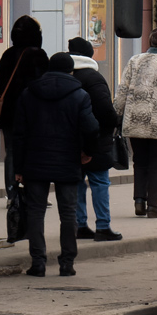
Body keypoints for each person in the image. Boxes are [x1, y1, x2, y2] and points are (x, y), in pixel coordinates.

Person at [9, 52, 99, 277]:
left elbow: (18, 135)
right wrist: (87, 153)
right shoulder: (80, 96)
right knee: (68, 213)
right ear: (71, 71)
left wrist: (18, 168)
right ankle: (67, 263)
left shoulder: (29, 93)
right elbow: (91, 128)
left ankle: (38, 262)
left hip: (35, 161)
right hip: (68, 161)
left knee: (36, 212)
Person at [68, 38, 122, 242]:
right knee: (99, 181)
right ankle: (103, 226)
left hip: (71, 140)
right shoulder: (94, 78)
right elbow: (106, 110)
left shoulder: (67, 75)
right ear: (89, 55)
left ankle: (80, 225)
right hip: (96, 138)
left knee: (78, 183)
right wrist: (113, 124)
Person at [115, 28, 157, 219]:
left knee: (139, 162)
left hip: (134, 120)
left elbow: (122, 90)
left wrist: (116, 115)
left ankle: (139, 201)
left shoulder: (134, 60)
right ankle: (153, 207)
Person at [0, 16, 49, 190]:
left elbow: (0, 84)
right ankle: (34, 189)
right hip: (32, 113)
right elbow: (41, 86)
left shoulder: (7, 54)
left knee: (12, 152)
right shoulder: (38, 55)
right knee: (35, 149)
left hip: (8, 113)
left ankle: (12, 191)